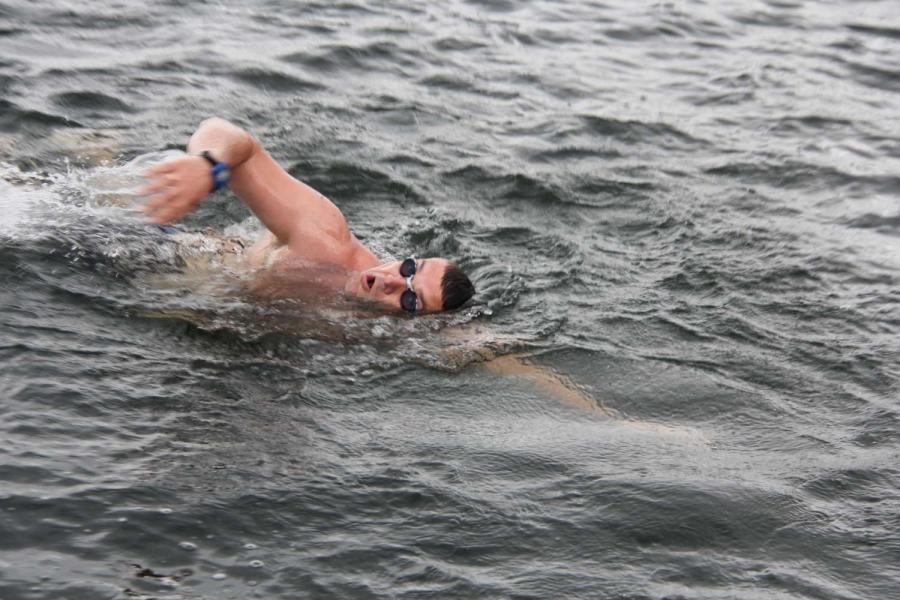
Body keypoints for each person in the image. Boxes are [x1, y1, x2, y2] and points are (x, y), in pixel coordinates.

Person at [138, 118, 474, 313]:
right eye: (409, 268)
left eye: (411, 299)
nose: (391, 281)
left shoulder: (376, 332)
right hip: (160, 253)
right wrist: (207, 166)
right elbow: (228, 135)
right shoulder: (325, 242)